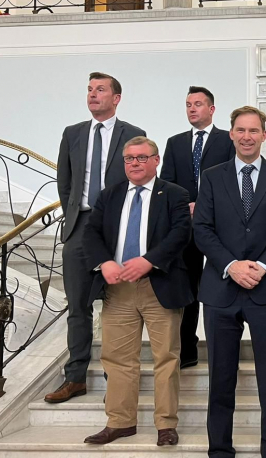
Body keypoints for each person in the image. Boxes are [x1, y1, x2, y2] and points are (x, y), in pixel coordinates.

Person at [193, 106, 266, 458]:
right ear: (231, 134)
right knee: (220, 380)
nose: (246, 136)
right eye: (240, 130)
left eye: (253, 130)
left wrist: (261, 265)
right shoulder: (211, 176)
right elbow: (203, 229)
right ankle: (220, 450)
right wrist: (231, 265)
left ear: (263, 135)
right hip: (221, 290)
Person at [81, 137, 192, 446]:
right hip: (118, 289)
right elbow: (90, 233)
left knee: (166, 358)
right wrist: (104, 262)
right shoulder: (109, 195)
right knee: (117, 358)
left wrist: (148, 261)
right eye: (129, 159)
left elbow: (181, 233)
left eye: (142, 158)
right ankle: (120, 422)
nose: (134, 163)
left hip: (160, 285)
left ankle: (165, 425)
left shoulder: (174, 194)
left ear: (156, 161)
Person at [46, 72, 145, 404]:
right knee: (77, 305)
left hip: (117, 228)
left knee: (118, 306)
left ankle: (115, 379)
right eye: (89, 89)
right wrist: (74, 215)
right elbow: (65, 182)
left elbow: (138, 179)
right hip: (80, 226)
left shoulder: (133, 134)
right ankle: (75, 378)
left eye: (100, 90)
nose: (92, 94)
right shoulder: (72, 134)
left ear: (116, 98)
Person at [160, 86, 235, 369]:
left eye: (198, 104)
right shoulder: (175, 142)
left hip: (218, 225)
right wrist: (185, 206)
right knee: (187, 288)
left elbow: (231, 179)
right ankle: (187, 351)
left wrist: (203, 204)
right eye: (188, 104)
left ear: (211, 109)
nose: (192, 109)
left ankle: (224, 349)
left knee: (219, 284)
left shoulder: (227, 141)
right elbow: (166, 182)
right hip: (184, 226)